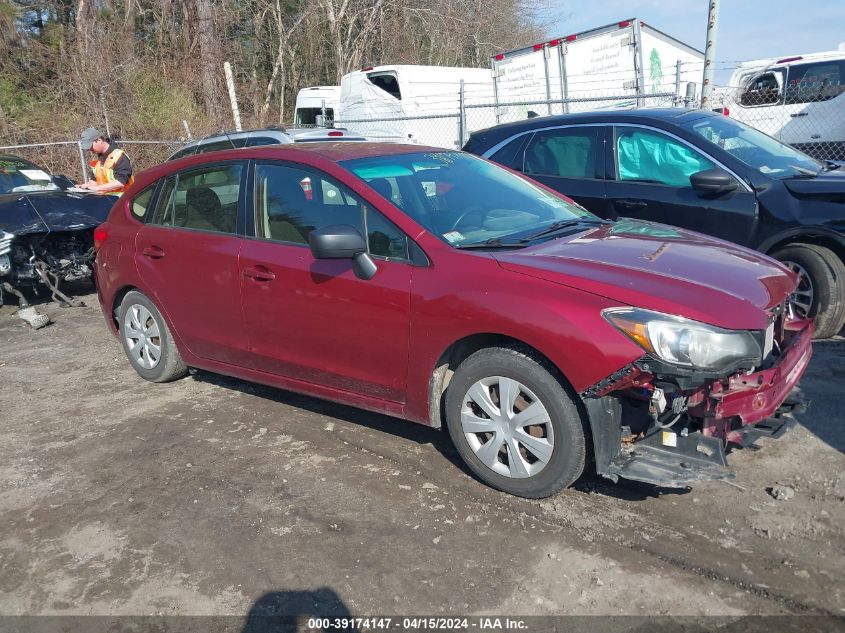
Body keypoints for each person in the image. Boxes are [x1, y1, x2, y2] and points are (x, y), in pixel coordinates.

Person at [77, 127, 134, 195]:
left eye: (91, 146)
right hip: (105, 200)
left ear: (99, 140)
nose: (90, 149)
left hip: (121, 201)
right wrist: (84, 187)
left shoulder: (119, 156)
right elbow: (94, 181)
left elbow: (120, 182)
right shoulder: (98, 161)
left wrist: (98, 188)